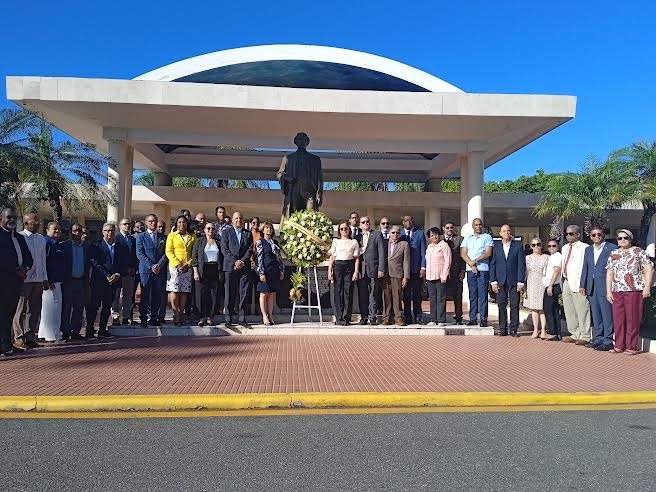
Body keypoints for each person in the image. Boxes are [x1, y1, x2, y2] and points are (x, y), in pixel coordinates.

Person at [606, 229, 653, 355]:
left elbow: (649, 269)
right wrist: (608, 291)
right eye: (619, 238)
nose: (622, 240)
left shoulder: (639, 252)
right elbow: (610, 272)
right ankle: (619, 345)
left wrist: (647, 287)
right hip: (617, 289)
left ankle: (631, 346)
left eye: (625, 238)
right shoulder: (614, 253)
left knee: (633, 318)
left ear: (630, 239)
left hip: (634, 290)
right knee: (618, 319)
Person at [0, 208, 33, 357]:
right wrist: (15, 270)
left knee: (10, 314)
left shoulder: (19, 238)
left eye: (14, 217)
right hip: (3, 282)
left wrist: (25, 268)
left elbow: (28, 257)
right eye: (9, 217)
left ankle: (7, 343)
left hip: (17, 282)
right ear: (1, 218)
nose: (12, 220)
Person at [87, 223, 128, 338]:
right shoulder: (96, 246)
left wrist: (117, 274)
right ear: (103, 232)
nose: (110, 233)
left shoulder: (120, 247)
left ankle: (102, 330)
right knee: (94, 307)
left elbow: (122, 263)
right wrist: (106, 275)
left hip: (113, 282)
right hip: (99, 281)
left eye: (112, 231)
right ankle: (90, 330)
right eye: (107, 231)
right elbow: (95, 263)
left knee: (107, 307)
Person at [13, 213, 47, 349]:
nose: (38, 224)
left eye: (38, 221)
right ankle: (18, 338)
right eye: (34, 222)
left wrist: (45, 278)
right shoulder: (19, 238)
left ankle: (30, 337)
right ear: (26, 223)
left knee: (34, 309)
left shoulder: (41, 239)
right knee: (20, 309)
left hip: (38, 279)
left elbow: (43, 259)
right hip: (24, 279)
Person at [580, 227, 617, 351]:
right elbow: (585, 268)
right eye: (594, 235)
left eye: (599, 234)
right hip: (591, 286)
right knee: (596, 314)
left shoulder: (612, 248)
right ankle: (598, 338)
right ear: (590, 237)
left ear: (603, 235)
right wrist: (582, 284)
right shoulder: (588, 249)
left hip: (605, 285)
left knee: (607, 313)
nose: (597, 237)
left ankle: (608, 340)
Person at [277, 132, 323, 219]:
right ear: (295, 142)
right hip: (294, 191)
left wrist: (319, 194)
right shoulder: (288, 158)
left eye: (304, 139)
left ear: (307, 142)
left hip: (309, 191)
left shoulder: (315, 159)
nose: (301, 141)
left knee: (311, 216)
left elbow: (319, 178)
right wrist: (288, 178)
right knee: (293, 217)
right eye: (299, 139)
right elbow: (280, 174)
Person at [489, 224, 526, 335]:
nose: (506, 233)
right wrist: (493, 281)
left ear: (511, 233)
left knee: (514, 305)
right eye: (504, 231)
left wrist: (521, 281)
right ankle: (502, 329)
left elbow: (521, 264)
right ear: (500, 233)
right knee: (501, 305)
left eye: (508, 231)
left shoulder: (518, 246)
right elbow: (493, 264)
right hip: (500, 280)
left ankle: (513, 329)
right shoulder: (496, 247)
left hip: (514, 280)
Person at [38, 222, 70, 342]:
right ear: (47, 230)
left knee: (52, 310)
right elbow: (44, 263)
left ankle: (44, 334)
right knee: (51, 310)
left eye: (59, 229)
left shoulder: (58, 245)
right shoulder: (47, 243)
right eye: (54, 229)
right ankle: (53, 335)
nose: (57, 231)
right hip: (50, 283)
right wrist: (48, 280)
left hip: (58, 282)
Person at [221, 211, 253, 328]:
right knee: (229, 292)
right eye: (236, 218)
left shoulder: (248, 234)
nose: (238, 220)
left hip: (244, 267)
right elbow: (224, 249)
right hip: (230, 266)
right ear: (232, 220)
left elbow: (250, 249)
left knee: (243, 293)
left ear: (243, 220)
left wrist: (242, 261)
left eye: (240, 218)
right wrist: (235, 261)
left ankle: (242, 318)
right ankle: (228, 319)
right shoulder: (226, 232)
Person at [560, 225, 591, 345]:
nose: (568, 236)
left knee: (582, 309)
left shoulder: (585, 248)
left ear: (578, 235)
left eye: (571, 234)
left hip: (578, 282)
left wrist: (583, 284)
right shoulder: (564, 248)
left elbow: (586, 267)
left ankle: (585, 335)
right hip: (566, 281)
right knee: (569, 309)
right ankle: (574, 333)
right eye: (567, 234)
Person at [136, 214, 168, 327]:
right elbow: (140, 253)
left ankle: (154, 318)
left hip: (159, 271)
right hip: (146, 270)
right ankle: (143, 318)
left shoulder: (163, 237)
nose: (153, 223)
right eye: (150, 221)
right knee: (145, 295)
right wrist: (151, 266)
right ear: (146, 223)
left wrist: (159, 265)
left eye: (155, 221)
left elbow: (166, 253)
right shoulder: (140, 236)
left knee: (157, 295)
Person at [461, 218, 493, 327]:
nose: (478, 227)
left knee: (483, 295)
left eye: (480, 225)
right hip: (471, 270)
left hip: (483, 269)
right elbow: (463, 253)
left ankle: (483, 319)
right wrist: (471, 264)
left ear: (482, 226)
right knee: (472, 295)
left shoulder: (487, 237)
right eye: (476, 225)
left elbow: (488, 253)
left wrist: (475, 261)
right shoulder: (467, 238)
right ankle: (473, 318)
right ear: (473, 226)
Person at [61, 223, 90, 341]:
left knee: (79, 308)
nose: (77, 233)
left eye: (79, 231)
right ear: (70, 232)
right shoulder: (64, 246)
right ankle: (65, 331)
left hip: (82, 281)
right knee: (66, 308)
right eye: (74, 231)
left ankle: (76, 332)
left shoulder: (87, 246)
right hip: (68, 282)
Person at [328, 221, 360, 326]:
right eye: (341, 229)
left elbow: (356, 258)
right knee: (338, 292)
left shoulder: (354, 242)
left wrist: (356, 271)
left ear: (349, 229)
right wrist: (330, 271)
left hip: (349, 266)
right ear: (339, 231)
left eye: (345, 228)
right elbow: (332, 257)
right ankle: (338, 318)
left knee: (348, 292)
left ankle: (346, 318)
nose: (344, 231)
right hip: (338, 266)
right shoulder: (336, 241)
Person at [165, 215, 195, 326]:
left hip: (187, 267)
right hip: (174, 267)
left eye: (184, 222)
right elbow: (169, 251)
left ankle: (181, 313)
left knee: (184, 291)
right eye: (180, 222)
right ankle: (175, 313)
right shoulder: (172, 236)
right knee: (175, 290)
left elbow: (193, 252)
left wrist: (188, 264)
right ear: (176, 224)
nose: (182, 224)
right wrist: (178, 264)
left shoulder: (192, 237)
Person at [357, 216, 386, 325]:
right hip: (361, 270)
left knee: (373, 293)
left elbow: (381, 252)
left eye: (367, 221)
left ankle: (372, 316)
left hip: (374, 269)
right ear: (360, 224)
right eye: (363, 222)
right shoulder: (357, 236)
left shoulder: (377, 234)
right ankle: (364, 317)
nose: (366, 223)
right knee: (362, 294)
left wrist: (381, 269)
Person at [192, 223, 223, 326]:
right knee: (201, 294)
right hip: (202, 269)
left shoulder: (218, 242)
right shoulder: (199, 241)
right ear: (204, 230)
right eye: (208, 228)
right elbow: (195, 257)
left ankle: (210, 316)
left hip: (215, 269)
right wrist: (195, 271)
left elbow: (222, 257)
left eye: (212, 229)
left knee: (213, 294)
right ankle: (202, 317)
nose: (210, 230)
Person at [255, 222, 285, 326]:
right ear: (263, 230)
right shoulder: (260, 242)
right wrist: (261, 272)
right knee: (264, 293)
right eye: (266, 228)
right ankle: (264, 315)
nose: (269, 230)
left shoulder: (275, 242)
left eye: (270, 228)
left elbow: (279, 258)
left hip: (274, 270)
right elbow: (259, 258)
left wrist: (281, 270)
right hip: (265, 270)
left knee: (272, 294)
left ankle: (270, 315)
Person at [400, 215, 427, 325]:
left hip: (416, 269)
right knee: (405, 295)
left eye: (411, 220)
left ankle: (418, 316)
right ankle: (407, 316)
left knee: (417, 295)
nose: (409, 222)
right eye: (406, 220)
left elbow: (423, 251)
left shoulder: (420, 233)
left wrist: (423, 267)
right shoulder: (399, 234)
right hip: (403, 271)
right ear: (403, 222)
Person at [382, 226, 410, 327]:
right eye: (393, 233)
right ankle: (386, 317)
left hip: (398, 274)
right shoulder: (384, 244)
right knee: (386, 296)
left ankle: (398, 318)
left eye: (397, 233)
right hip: (386, 274)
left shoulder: (404, 244)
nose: (395, 235)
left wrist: (406, 276)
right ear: (389, 233)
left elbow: (406, 261)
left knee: (397, 296)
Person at [112, 218, 138, 325]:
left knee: (128, 294)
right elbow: (116, 256)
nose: (127, 226)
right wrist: (121, 269)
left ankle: (126, 317)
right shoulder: (116, 239)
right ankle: (115, 316)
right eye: (125, 224)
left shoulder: (133, 239)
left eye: (129, 224)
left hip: (130, 272)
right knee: (116, 296)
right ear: (120, 225)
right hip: (119, 272)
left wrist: (133, 267)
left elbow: (135, 255)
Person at [424, 227, 451, 327]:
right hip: (430, 276)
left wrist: (444, 275)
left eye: (435, 234)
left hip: (440, 277)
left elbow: (448, 261)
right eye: (431, 235)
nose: (434, 237)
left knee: (441, 298)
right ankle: (433, 319)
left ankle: (441, 320)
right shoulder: (429, 247)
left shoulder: (444, 245)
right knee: (432, 298)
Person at [524, 237, 549, 339]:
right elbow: (525, 273)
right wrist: (524, 289)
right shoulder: (528, 258)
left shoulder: (546, 257)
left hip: (542, 283)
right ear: (531, 247)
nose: (536, 247)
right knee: (534, 308)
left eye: (538, 244)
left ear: (541, 245)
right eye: (533, 245)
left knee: (542, 308)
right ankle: (535, 329)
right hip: (531, 283)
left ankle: (543, 329)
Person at [443, 222, 466, 325]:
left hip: (456, 272)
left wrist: (462, 270)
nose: (450, 229)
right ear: (443, 228)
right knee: (442, 295)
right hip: (442, 272)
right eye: (447, 227)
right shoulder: (439, 239)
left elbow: (463, 256)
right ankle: (441, 316)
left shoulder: (460, 239)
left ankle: (458, 317)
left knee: (457, 296)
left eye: (451, 227)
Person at [543, 240, 563, 341]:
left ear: (558, 247)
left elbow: (557, 270)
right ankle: (557, 332)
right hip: (550, 285)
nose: (551, 247)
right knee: (554, 309)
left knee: (548, 309)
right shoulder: (552, 257)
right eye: (549, 245)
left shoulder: (557, 256)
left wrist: (550, 285)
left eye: (554, 246)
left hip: (553, 285)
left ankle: (553, 332)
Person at [156, 219, 168, 323]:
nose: (161, 229)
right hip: (151, 269)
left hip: (163, 269)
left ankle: (161, 316)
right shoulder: (151, 238)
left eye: (162, 227)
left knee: (163, 294)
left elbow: (166, 253)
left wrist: (159, 264)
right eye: (159, 227)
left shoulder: (167, 238)